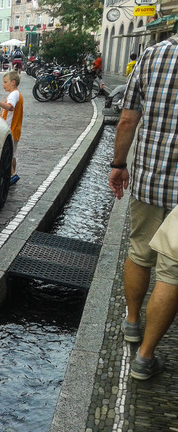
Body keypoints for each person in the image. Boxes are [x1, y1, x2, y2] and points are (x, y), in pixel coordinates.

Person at [108, 35, 178, 380]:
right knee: (172, 274)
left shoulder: (152, 55)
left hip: (151, 178)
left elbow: (126, 119)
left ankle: (132, 323)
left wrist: (119, 163)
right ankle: (145, 358)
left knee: (139, 252)